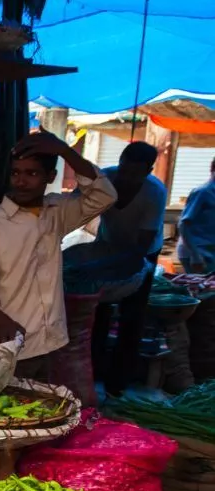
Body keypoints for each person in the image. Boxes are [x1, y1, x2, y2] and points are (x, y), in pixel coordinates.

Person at [0, 131, 116, 379]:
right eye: (16, 173)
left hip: (52, 342)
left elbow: (105, 195)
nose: (21, 181)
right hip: (11, 344)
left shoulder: (56, 212)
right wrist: (4, 323)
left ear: (51, 177)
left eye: (32, 173)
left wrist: (66, 152)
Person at [75, 141, 166, 394]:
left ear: (147, 171)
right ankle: (92, 375)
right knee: (98, 313)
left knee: (132, 316)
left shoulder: (154, 193)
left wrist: (103, 265)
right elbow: (72, 206)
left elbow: (139, 249)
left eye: (134, 174)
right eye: (124, 170)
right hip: (107, 244)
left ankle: (118, 383)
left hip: (143, 253)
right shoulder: (106, 178)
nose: (126, 178)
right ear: (120, 162)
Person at [178, 157, 215, 273]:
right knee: (200, 288)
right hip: (198, 252)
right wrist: (195, 255)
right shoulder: (203, 192)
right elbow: (184, 224)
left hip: (211, 251)